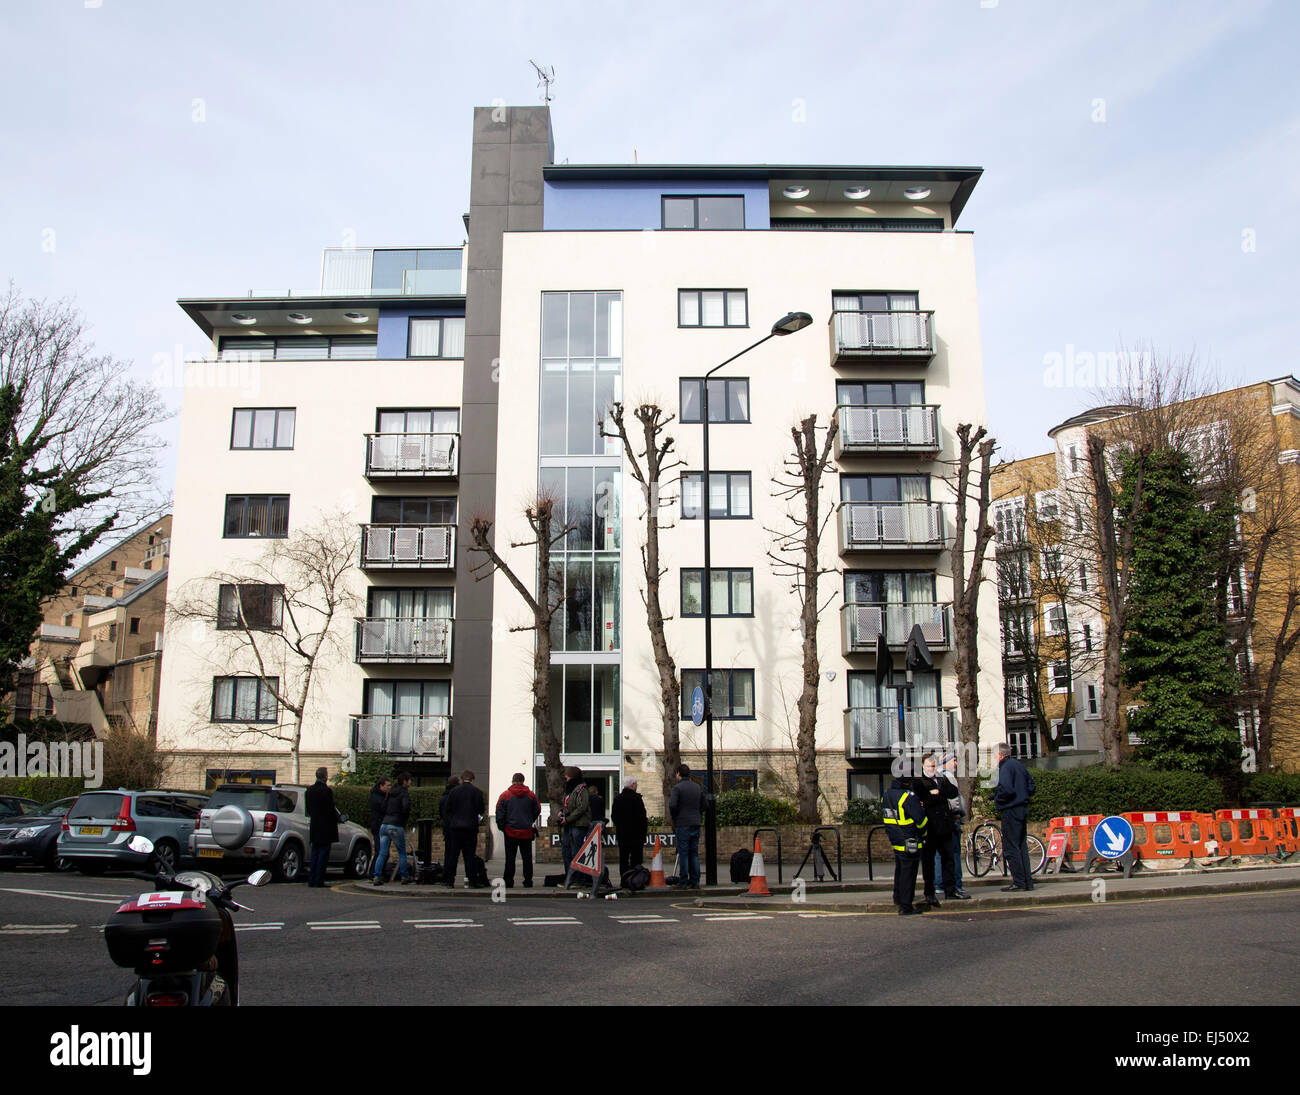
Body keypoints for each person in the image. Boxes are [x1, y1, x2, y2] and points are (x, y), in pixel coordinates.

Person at [915, 753, 964, 905]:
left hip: (945, 825)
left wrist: (938, 794)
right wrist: (934, 797)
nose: (932, 768)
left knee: (949, 859)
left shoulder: (942, 779)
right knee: (929, 862)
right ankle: (929, 892)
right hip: (929, 828)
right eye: (929, 765)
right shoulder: (918, 782)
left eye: (934, 765)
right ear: (923, 766)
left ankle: (950, 890)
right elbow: (923, 800)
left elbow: (953, 792)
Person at [883, 772, 928, 915]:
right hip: (909, 839)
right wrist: (924, 834)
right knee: (909, 873)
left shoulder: (887, 794)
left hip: (895, 838)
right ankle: (906, 905)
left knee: (900, 869)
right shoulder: (908, 797)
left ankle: (897, 897)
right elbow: (921, 821)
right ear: (909, 782)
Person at [994, 742, 1037, 892]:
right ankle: (1027, 881)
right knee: (1022, 846)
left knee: (1011, 847)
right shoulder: (1019, 765)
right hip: (1022, 809)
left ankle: (1018, 881)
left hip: (1011, 810)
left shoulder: (1005, 767)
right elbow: (1032, 786)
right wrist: (1023, 796)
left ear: (1000, 755)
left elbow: (1006, 789)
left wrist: (998, 800)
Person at [495, 772, 541, 888]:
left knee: (510, 858)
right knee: (527, 858)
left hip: (510, 831)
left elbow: (499, 812)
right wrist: (530, 820)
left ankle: (509, 881)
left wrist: (503, 827)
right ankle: (528, 881)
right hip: (526, 831)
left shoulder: (505, 795)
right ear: (523, 780)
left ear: (513, 781)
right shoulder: (531, 795)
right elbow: (537, 809)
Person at [442, 769, 486, 888]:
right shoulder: (477, 792)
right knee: (469, 856)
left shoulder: (454, 792)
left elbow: (448, 809)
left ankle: (450, 881)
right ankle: (472, 881)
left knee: (453, 855)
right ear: (472, 780)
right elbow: (481, 809)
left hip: (455, 828)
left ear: (462, 779)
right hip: (470, 828)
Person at [935, 752, 970, 898]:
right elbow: (954, 801)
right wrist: (959, 815)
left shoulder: (936, 776)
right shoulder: (948, 777)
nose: (956, 764)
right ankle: (956, 885)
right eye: (953, 761)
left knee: (939, 855)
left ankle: (939, 884)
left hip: (940, 821)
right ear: (945, 762)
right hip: (951, 820)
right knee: (954, 854)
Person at [372, 771, 413, 886]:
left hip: (384, 825)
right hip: (396, 825)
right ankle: (405, 876)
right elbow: (406, 807)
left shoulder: (390, 793)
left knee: (382, 853)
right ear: (405, 782)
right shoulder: (404, 792)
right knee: (402, 852)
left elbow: (384, 807)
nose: (410, 782)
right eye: (409, 780)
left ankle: (377, 876)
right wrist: (403, 817)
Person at [668, 764, 703, 889]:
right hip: (695, 822)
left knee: (683, 853)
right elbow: (704, 804)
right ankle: (695, 881)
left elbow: (672, 805)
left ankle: (683, 881)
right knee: (694, 853)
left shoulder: (677, 788)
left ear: (678, 774)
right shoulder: (697, 787)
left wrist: (675, 817)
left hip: (683, 823)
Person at [305, 766, 338, 889]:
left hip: (315, 825)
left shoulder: (309, 790)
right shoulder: (326, 791)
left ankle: (311, 879)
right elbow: (331, 809)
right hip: (326, 826)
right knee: (323, 855)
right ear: (325, 776)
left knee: (315, 854)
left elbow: (308, 809)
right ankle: (319, 880)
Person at [610, 777, 648, 882]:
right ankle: (635, 880)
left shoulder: (618, 798)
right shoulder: (637, 799)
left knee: (623, 859)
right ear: (632, 785)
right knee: (636, 859)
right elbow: (642, 818)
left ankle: (624, 880)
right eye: (636, 784)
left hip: (623, 834)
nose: (636, 786)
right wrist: (643, 832)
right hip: (636, 835)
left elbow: (614, 816)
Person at [558, 766, 591, 882]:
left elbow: (581, 807)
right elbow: (569, 806)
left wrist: (568, 819)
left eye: (566, 777)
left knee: (575, 852)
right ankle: (569, 878)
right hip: (569, 824)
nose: (565, 779)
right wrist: (562, 812)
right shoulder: (570, 790)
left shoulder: (581, 789)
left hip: (578, 825)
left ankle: (578, 879)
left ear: (572, 776)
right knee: (566, 851)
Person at [368, 776, 391, 868]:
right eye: (388, 785)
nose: (390, 787)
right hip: (378, 826)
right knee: (380, 852)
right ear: (381, 786)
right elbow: (383, 808)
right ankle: (373, 873)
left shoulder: (380, 796)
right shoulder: (376, 797)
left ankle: (379, 872)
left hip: (382, 826)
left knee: (384, 853)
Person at [439, 774, 459, 871]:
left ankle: (447, 874)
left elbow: (441, 813)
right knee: (456, 853)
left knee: (448, 852)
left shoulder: (443, 797)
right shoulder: (458, 795)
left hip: (447, 827)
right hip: (457, 827)